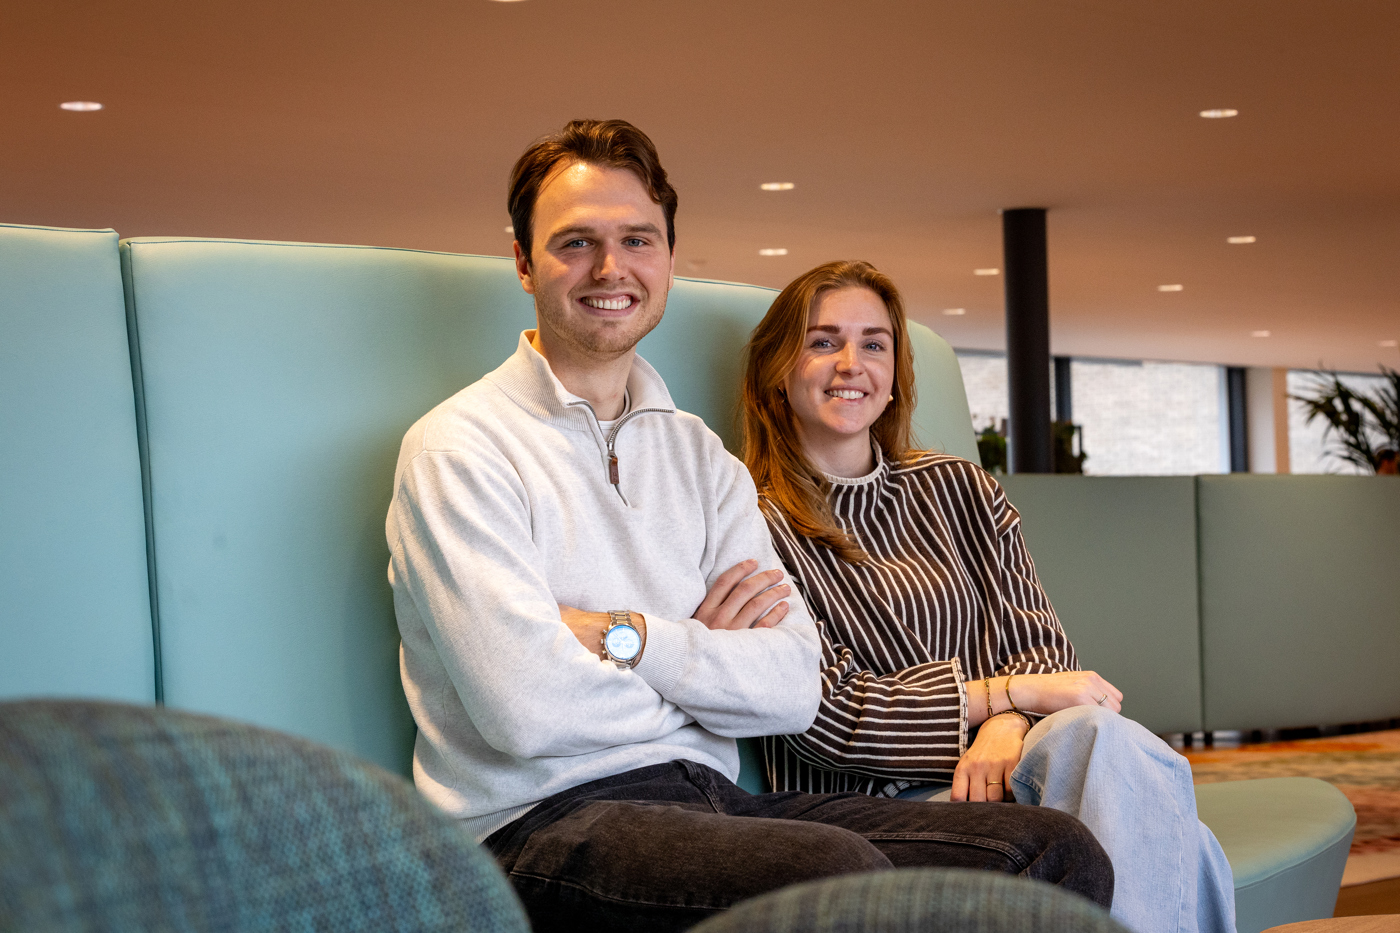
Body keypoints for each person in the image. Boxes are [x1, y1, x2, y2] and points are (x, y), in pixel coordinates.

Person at [385, 121, 1113, 933]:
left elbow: (790, 686)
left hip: (710, 798)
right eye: (575, 243)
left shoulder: (700, 456)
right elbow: (524, 710)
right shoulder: (461, 447)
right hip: (533, 829)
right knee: (832, 874)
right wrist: (703, 672)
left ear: (666, 257)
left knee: (1051, 852)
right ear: (524, 262)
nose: (611, 267)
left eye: (637, 239)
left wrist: (624, 636)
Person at [740, 259, 1235, 933]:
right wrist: (1010, 696)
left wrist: (1006, 725)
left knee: (1101, 742)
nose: (851, 362)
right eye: (823, 341)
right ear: (776, 367)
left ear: (895, 373)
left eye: (874, 343)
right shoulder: (748, 523)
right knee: (1174, 828)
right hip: (876, 802)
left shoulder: (960, 487)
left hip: (1019, 757)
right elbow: (827, 713)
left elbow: (1043, 649)